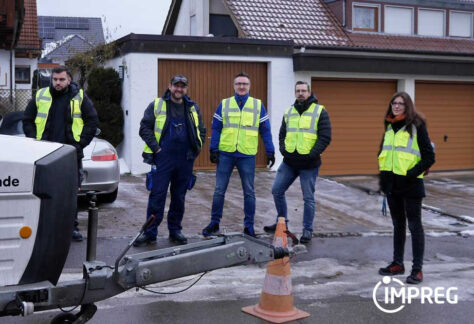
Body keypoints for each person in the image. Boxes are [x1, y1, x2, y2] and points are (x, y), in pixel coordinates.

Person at [23, 66, 99, 242]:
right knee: (42, 191)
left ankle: (71, 228)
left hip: (69, 154)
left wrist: (80, 145)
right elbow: (27, 120)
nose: (57, 83)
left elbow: (92, 120)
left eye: (61, 79)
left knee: (70, 193)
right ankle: (43, 227)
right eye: (55, 79)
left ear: (69, 80)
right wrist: (34, 141)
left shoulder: (79, 96)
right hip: (43, 154)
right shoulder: (41, 95)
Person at [135, 75, 206, 247]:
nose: (179, 89)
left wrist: (196, 149)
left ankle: (175, 231)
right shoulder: (157, 105)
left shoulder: (192, 107)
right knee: (157, 196)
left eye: (182, 86)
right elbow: (144, 128)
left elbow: (201, 130)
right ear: (170, 86)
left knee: (179, 197)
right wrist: (156, 148)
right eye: (176, 86)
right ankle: (150, 233)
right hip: (163, 158)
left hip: (185, 159)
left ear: (186, 89)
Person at [202, 72, 275, 238]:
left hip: (247, 154)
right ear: (234, 86)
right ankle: (214, 223)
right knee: (219, 190)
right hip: (226, 153)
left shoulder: (258, 105)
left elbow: (265, 130)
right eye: (239, 84)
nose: (242, 87)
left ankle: (248, 226)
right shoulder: (225, 104)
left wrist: (270, 151)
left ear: (249, 86)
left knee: (249, 191)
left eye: (245, 84)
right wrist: (213, 149)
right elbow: (216, 127)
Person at [263, 81, 331, 243]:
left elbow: (325, 137)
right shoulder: (289, 112)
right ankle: (282, 223)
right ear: (295, 93)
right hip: (290, 163)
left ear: (309, 92)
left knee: (308, 198)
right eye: (298, 91)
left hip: (309, 164)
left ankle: (307, 229)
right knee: (277, 190)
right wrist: (283, 150)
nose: (300, 93)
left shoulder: (320, 111)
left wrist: (312, 154)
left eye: (303, 91)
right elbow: (282, 134)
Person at [378, 91, 435, 284]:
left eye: (400, 104)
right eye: (394, 103)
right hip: (392, 185)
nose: (396, 106)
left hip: (411, 185)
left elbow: (429, 156)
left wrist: (411, 174)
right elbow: (384, 154)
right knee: (398, 225)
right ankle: (397, 263)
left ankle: (417, 270)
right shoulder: (389, 127)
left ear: (407, 106)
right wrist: (383, 182)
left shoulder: (417, 126)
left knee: (414, 226)